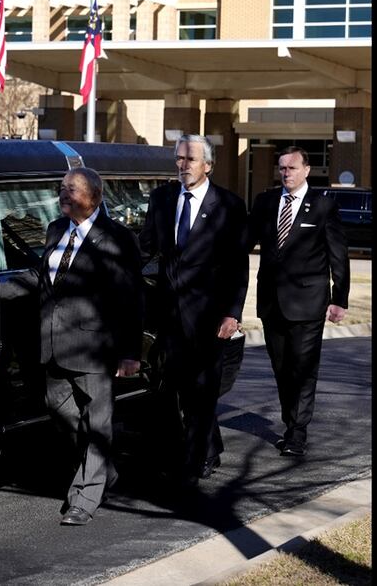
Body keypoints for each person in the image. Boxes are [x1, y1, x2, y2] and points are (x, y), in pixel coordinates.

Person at [139, 134, 248, 483]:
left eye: (190, 159)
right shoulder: (162, 198)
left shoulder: (228, 205)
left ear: (209, 165)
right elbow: (146, 248)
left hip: (209, 316)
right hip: (169, 314)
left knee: (202, 388)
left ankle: (195, 459)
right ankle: (208, 447)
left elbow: (237, 265)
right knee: (177, 389)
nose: (183, 165)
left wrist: (233, 313)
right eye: (179, 159)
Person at [38, 168, 142, 526]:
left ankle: (86, 496)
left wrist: (130, 352)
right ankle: (104, 469)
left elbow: (131, 298)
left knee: (98, 422)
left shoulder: (117, 238)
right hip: (54, 344)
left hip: (96, 346)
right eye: (62, 189)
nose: (63, 195)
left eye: (72, 190)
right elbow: (47, 283)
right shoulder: (55, 230)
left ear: (94, 197)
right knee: (59, 408)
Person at [248, 146, 349, 458]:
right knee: (282, 368)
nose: (285, 173)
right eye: (281, 168)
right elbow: (244, 241)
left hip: (308, 301)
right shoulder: (265, 202)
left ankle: (297, 431)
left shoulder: (322, 206)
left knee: (303, 368)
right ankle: (289, 420)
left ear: (307, 170)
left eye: (291, 168)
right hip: (271, 302)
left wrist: (339, 299)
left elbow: (338, 256)